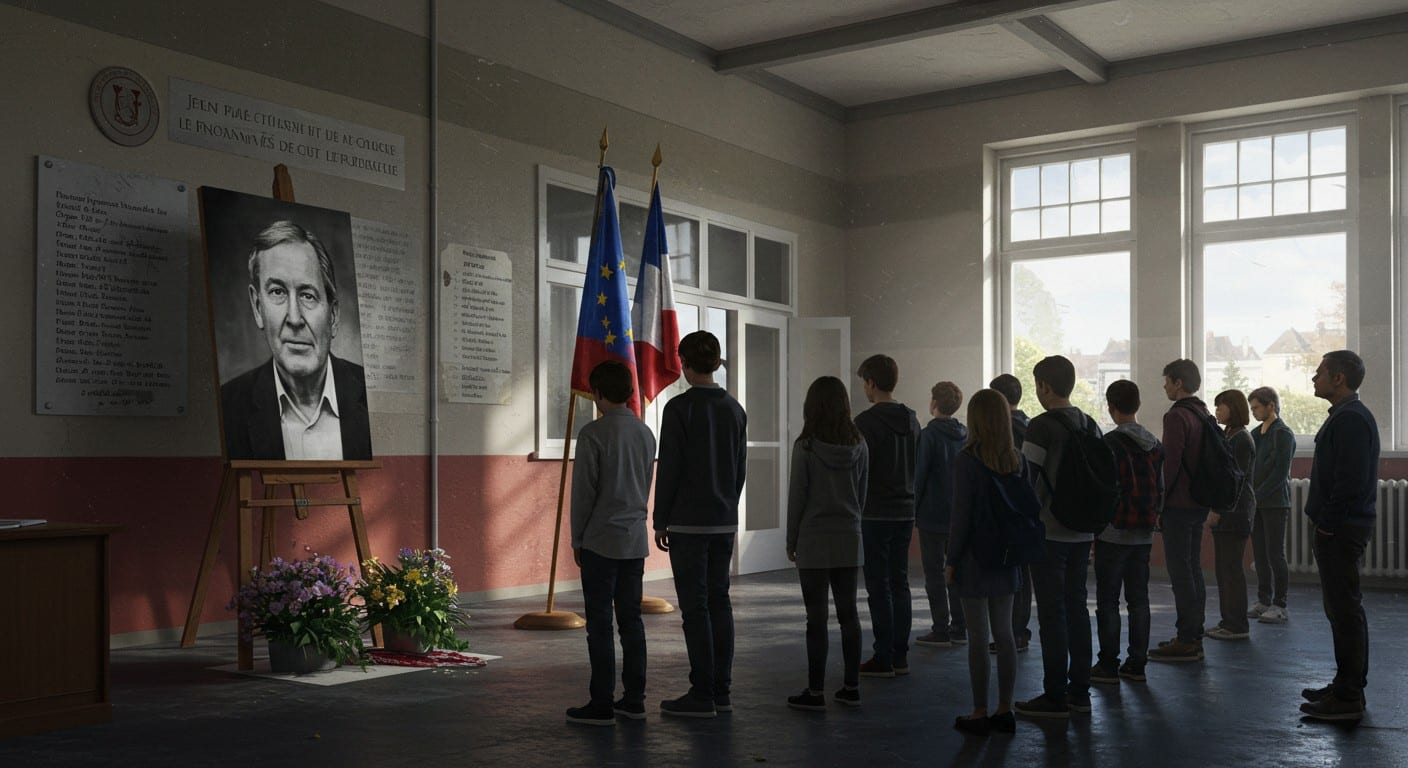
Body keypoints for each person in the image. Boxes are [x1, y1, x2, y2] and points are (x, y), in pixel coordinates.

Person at [220, 220, 372, 461]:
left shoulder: (371, 395)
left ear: (332, 316)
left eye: (308, 295)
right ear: (258, 308)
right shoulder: (228, 406)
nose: (294, 318)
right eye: (278, 292)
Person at [654, 331, 748, 718]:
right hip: (722, 520)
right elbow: (739, 469)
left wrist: (661, 519)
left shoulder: (678, 409)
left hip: (689, 524)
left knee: (694, 608)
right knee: (719, 601)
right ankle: (721, 689)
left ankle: (702, 692)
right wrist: (727, 506)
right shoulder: (734, 409)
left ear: (685, 363)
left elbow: (671, 469)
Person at [565, 361, 658, 726]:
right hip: (634, 542)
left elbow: (584, 495)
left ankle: (601, 702)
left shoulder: (593, 434)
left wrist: (578, 538)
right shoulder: (645, 433)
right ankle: (634, 698)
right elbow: (645, 484)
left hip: (601, 541)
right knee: (631, 621)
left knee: (600, 624)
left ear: (598, 394)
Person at [1013, 356, 1098, 719]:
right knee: (1077, 608)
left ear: (1045, 387)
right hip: (1083, 531)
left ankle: (1054, 694)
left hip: (1050, 532)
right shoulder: (1089, 423)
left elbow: (1025, 479)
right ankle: (1080, 690)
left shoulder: (1042, 426)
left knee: (1051, 614)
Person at [1300, 350, 1379, 722]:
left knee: (1344, 610)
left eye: (1319, 373)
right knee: (1341, 610)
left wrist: (1327, 524)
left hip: (1341, 529)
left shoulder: (1350, 420)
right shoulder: (1347, 417)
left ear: (1339, 378)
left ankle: (1349, 695)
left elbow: (1350, 481)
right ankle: (1345, 684)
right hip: (1341, 527)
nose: (1313, 379)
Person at [947, 389, 1032, 736]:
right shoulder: (1017, 459)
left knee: (978, 637)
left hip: (973, 558)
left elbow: (961, 516)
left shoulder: (967, 460)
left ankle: (980, 710)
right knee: (1006, 634)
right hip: (1009, 557)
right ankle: (1005, 708)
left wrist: (951, 560)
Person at [784, 377, 869, 711]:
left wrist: (792, 539)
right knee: (849, 614)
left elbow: (798, 497)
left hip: (814, 538)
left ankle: (815, 691)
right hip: (849, 535)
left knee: (815, 618)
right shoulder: (860, 444)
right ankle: (851, 686)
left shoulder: (804, 446)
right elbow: (863, 492)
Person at [1090, 380, 1162, 686]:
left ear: (1110, 406)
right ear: (1138, 405)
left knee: (1108, 601)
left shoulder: (1108, 444)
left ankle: (1107, 664)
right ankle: (1137, 663)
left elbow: (1103, 491)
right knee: (1139, 600)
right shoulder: (1155, 444)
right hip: (1144, 531)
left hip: (1113, 532)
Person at [854, 354, 922, 678]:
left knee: (878, 585)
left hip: (874, 513)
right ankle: (900, 655)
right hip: (906, 511)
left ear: (870, 383)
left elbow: (858, 470)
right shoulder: (913, 420)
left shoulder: (865, 423)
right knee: (900, 583)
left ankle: (882, 656)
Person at [1148, 359, 1212, 663]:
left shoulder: (1176, 417)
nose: (1164, 385)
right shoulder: (1203, 412)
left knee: (1180, 572)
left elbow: (1169, 465)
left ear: (1177, 383)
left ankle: (1186, 638)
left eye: (1166, 380)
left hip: (1178, 503)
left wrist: (1159, 503)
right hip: (1199, 501)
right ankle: (1194, 633)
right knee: (1193, 569)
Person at [915, 381, 968, 648]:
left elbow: (920, 476)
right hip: (959, 515)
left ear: (934, 402)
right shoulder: (966, 434)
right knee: (956, 570)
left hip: (932, 515)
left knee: (934, 573)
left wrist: (914, 511)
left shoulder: (928, 435)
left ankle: (940, 628)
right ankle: (960, 626)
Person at [1205, 390, 1256, 641]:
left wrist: (1217, 510)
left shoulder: (1241, 439)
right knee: (1223, 569)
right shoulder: (1229, 435)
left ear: (1233, 408)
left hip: (1235, 513)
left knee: (1231, 569)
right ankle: (1228, 620)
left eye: (1221, 406)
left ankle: (1237, 624)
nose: (1217, 411)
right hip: (1230, 512)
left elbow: (1234, 481)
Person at [990, 373, 1033, 654]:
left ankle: (1011, 632)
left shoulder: (1003, 431)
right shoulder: (1032, 426)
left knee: (1009, 575)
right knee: (1024, 573)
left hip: (1008, 511)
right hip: (1029, 511)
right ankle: (1019, 631)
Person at [1247, 386, 1294, 625]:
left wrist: (1256, 496)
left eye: (1256, 407)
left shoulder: (1284, 434)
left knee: (1275, 554)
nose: (1253, 412)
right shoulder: (1255, 434)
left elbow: (1279, 474)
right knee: (1260, 554)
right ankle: (1264, 600)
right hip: (1258, 504)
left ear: (1270, 406)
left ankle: (1280, 604)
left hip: (1276, 504)